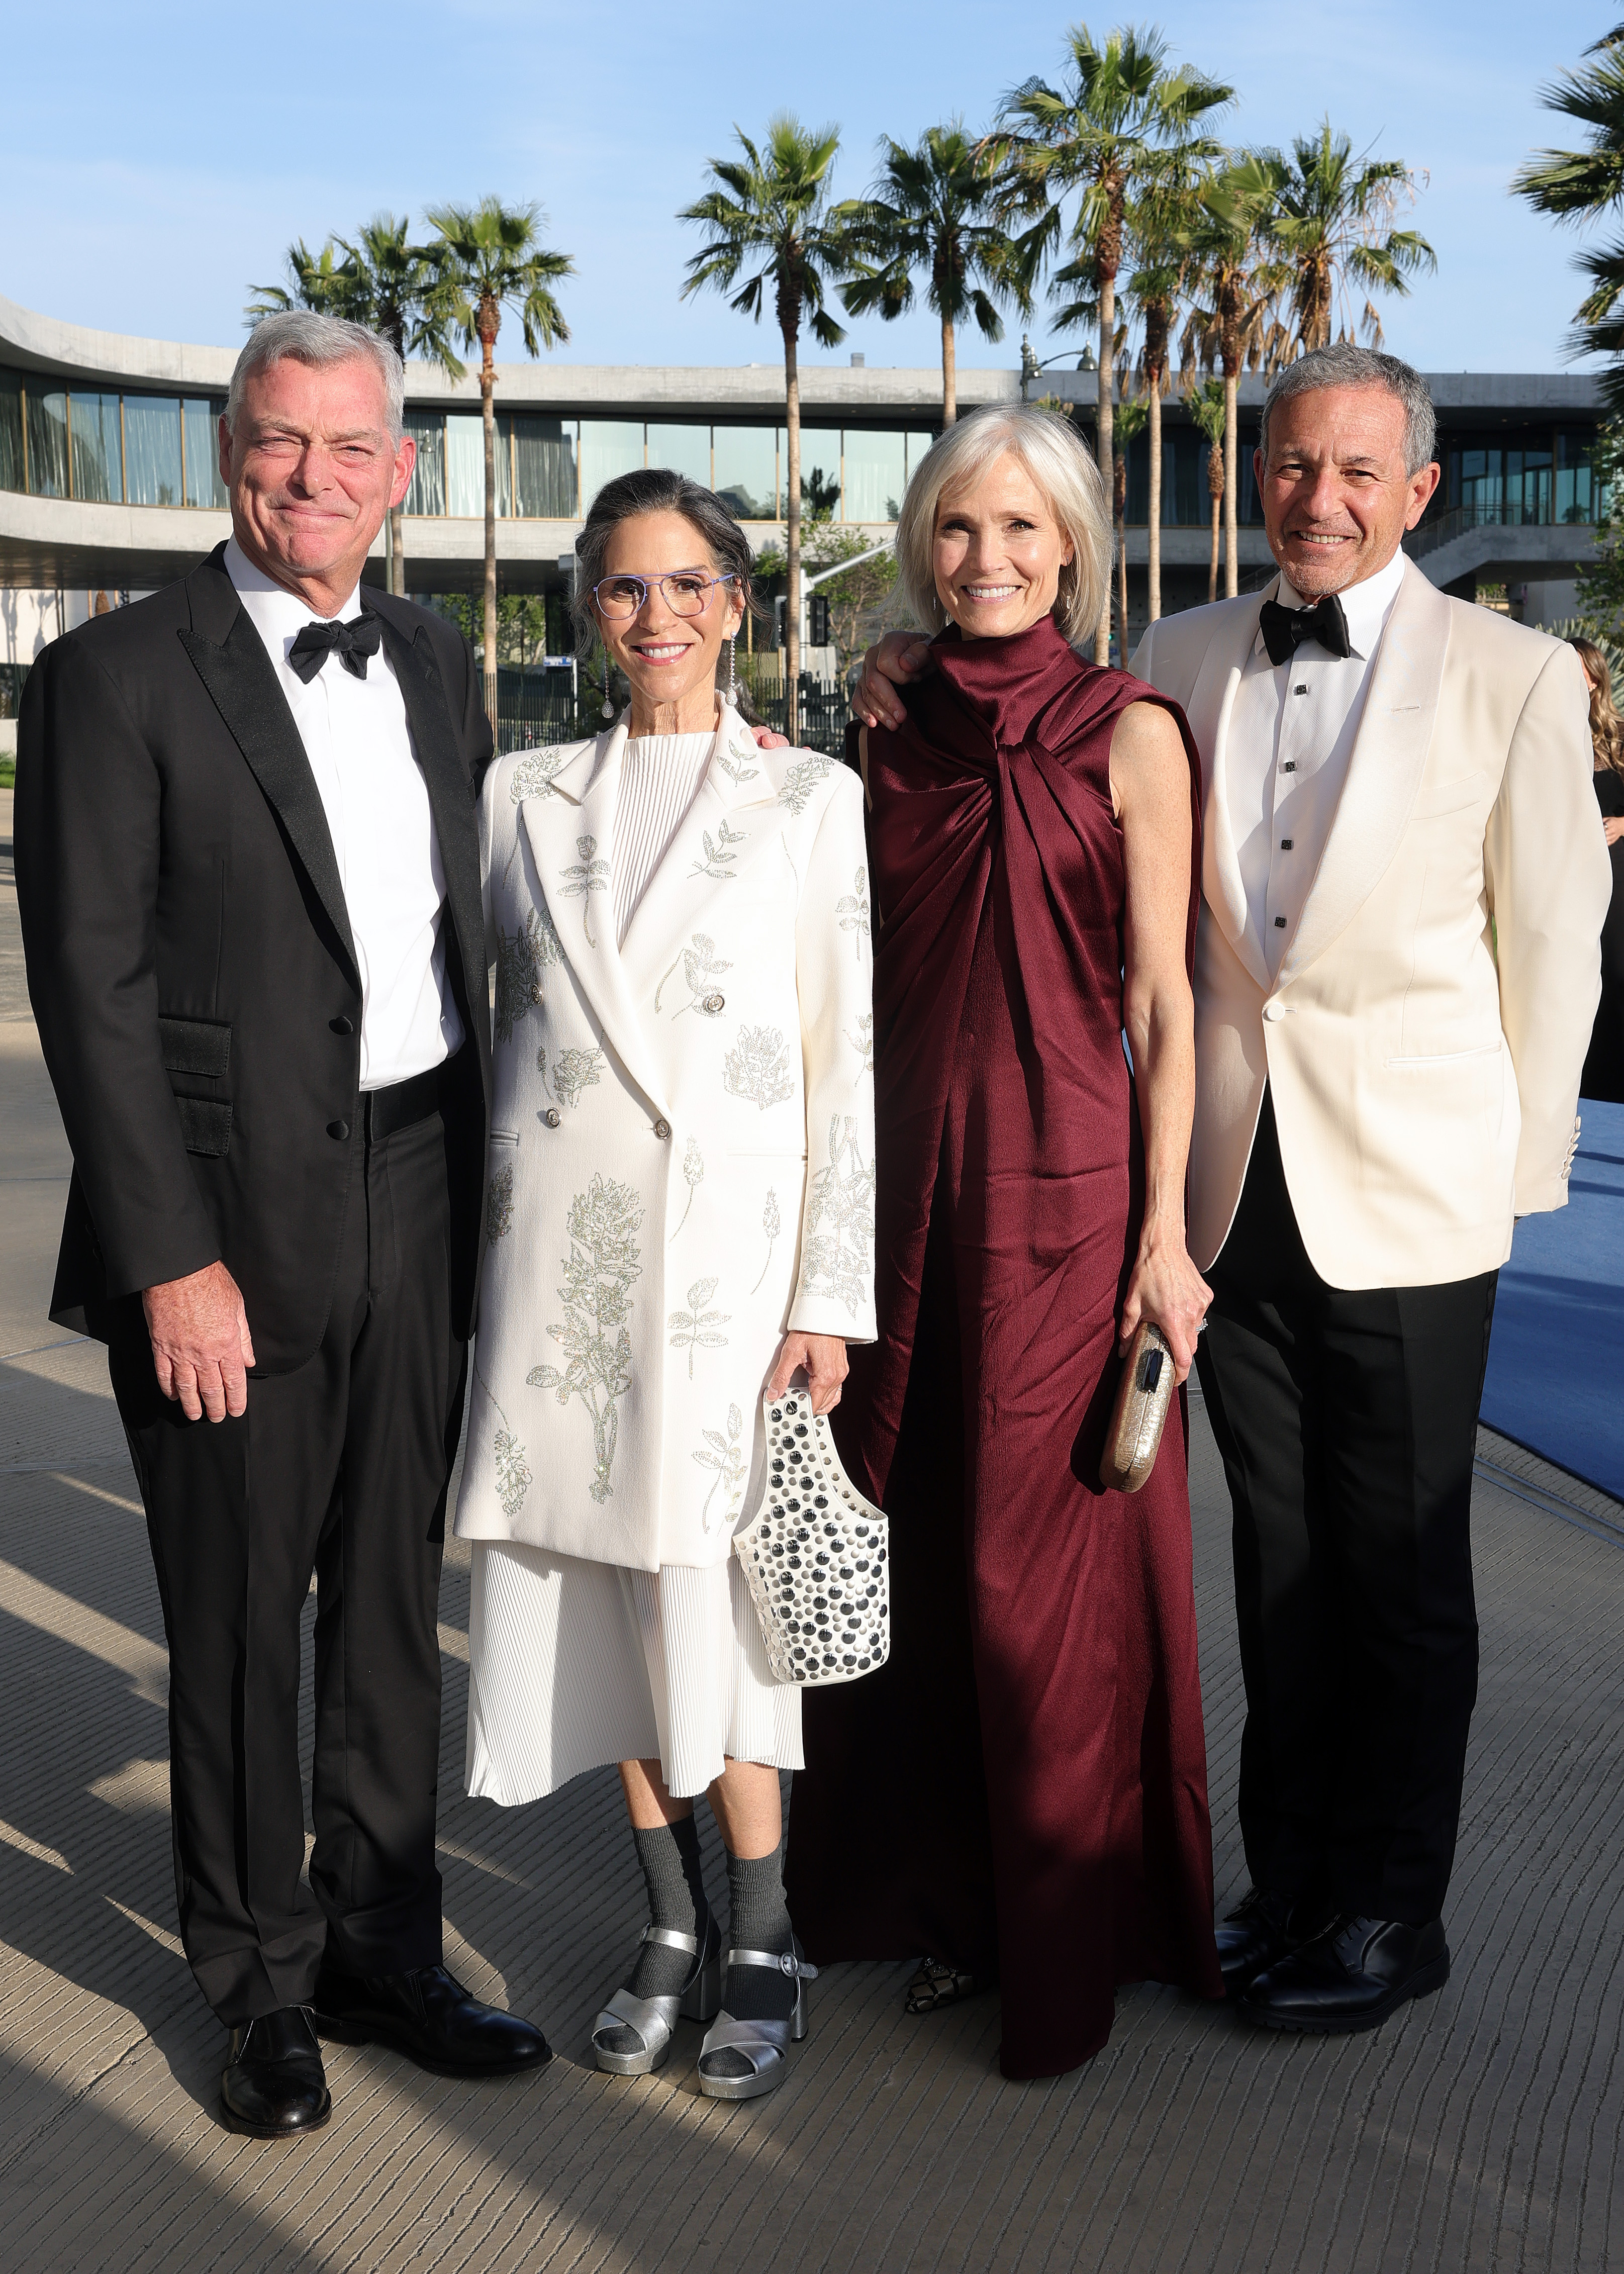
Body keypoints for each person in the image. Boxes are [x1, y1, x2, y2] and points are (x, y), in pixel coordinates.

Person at [858, 342, 1610, 2035]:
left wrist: (1517, 1179)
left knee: (1401, 1571)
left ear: (1418, 491)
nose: (1316, 499)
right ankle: (1285, 1887)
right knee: (1276, 1556)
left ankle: (1387, 1917)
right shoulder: (1179, 658)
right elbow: (1041, 734)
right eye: (1288, 466)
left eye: (1355, 472)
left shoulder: (1512, 675)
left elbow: (1557, 945)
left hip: (1416, 1190)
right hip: (1222, 1179)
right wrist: (901, 650)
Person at [14, 313, 550, 2138]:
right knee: (242, 1614)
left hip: (421, 1177)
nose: (309, 477)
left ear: (400, 471)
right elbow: (89, 983)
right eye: (275, 441)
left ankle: (387, 1947)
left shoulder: (431, 651)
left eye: (345, 447)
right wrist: (170, 1256)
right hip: (226, 1217)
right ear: (226, 452)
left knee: (394, 1603)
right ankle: (254, 1984)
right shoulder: (114, 679)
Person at [789, 403, 1223, 2082]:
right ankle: (939, 1902)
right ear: (920, 544)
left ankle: (1071, 1929)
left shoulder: (1133, 729)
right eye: (959, 529)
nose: (988, 558)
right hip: (902, 1195)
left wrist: (1165, 1242)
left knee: (1036, 1575)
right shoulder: (882, 719)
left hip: (1068, 1191)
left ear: (1074, 547)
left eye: (1023, 530)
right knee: (900, 1532)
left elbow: (1168, 1003)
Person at [455, 466, 874, 2102]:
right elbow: (506, 1022)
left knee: (721, 1593)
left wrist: (825, 1291)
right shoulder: (521, 791)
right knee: (599, 1596)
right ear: (590, 605)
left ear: (739, 603)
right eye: (627, 587)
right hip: (558, 1263)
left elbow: (846, 1065)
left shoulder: (808, 802)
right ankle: (669, 1923)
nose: (658, 616)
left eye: (689, 583)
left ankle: (764, 1932)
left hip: (726, 1267)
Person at [1568, 635, 1624, 1101]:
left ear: (1595, 679)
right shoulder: (1542, 730)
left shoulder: (1619, 736)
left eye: (1579, 671)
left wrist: (1623, 823)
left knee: (1614, 972)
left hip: (1615, 875)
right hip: (1562, 875)